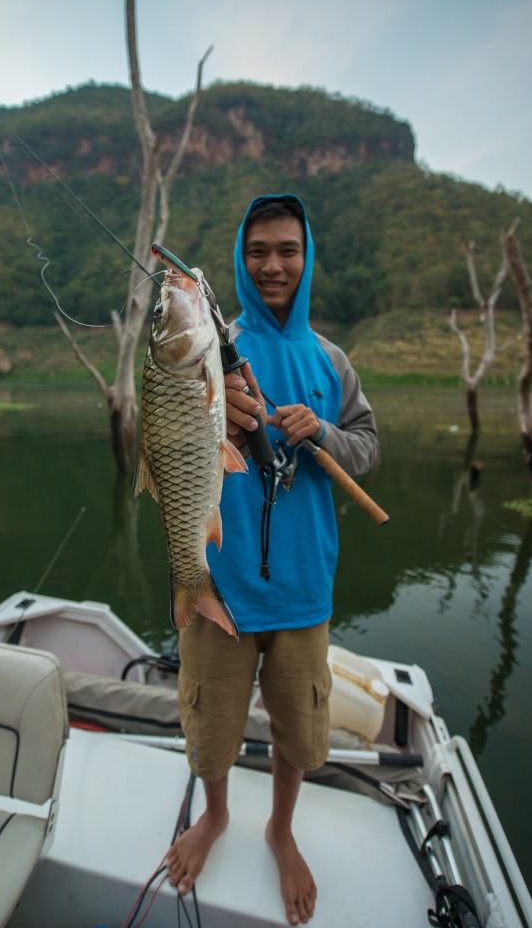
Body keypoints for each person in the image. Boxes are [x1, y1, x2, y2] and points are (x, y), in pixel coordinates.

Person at [166, 194, 379, 926]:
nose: (272, 264)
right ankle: (217, 814)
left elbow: (367, 448)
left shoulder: (331, 361)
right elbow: (166, 423)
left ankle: (279, 827)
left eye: (286, 249)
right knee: (212, 727)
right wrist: (211, 405)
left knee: (296, 729)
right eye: (257, 251)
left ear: (307, 256)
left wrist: (319, 429)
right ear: (239, 258)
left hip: (302, 589)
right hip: (216, 586)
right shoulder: (208, 351)